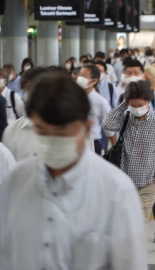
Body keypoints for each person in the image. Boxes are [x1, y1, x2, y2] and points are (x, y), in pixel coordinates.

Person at [0, 71, 146, 269]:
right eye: (42, 131)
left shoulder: (115, 191)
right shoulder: (16, 181)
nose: (52, 141)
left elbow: (130, 264)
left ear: (87, 128)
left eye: (63, 132)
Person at [103, 80, 155, 223]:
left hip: (147, 185)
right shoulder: (126, 118)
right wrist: (124, 105)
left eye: (140, 105)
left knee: (137, 225)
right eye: (133, 105)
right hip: (124, 183)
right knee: (122, 225)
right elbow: (107, 124)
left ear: (148, 101)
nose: (137, 108)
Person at [2, 67, 49, 161]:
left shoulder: (64, 128)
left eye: (35, 88)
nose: (30, 93)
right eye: (26, 89)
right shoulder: (12, 131)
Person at [76, 65, 116, 155]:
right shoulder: (73, 96)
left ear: (94, 81)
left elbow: (109, 128)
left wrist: (114, 146)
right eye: (80, 75)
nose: (80, 78)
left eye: (84, 76)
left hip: (93, 142)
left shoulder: (100, 101)